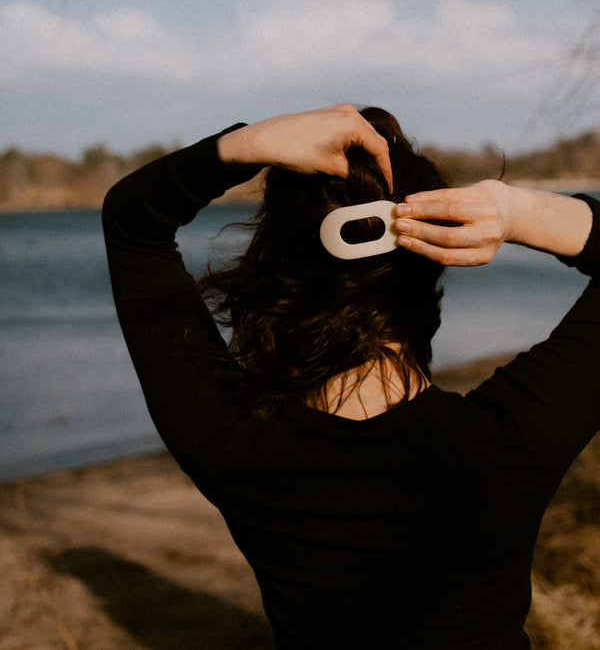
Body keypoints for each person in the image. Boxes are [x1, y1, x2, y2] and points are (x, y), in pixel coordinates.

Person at [102, 103, 599, 649]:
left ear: (275, 259)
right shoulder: (507, 445)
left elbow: (133, 224)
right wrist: (516, 212)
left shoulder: (230, 443)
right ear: (434, 260)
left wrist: (244, 146)